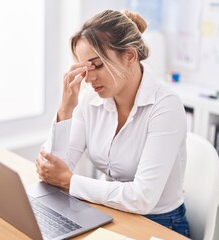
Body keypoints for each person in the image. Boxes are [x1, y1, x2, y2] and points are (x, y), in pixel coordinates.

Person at [36, 9, 190, 237]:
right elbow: (52, 170)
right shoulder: (90, 99)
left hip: (160, 225)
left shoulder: (165, 106)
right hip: (108, 212)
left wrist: (70, 181)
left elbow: (142, 199)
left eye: (96, 65)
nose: (88, 79)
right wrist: (65, 108)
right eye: (84, 68)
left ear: (129, 56)